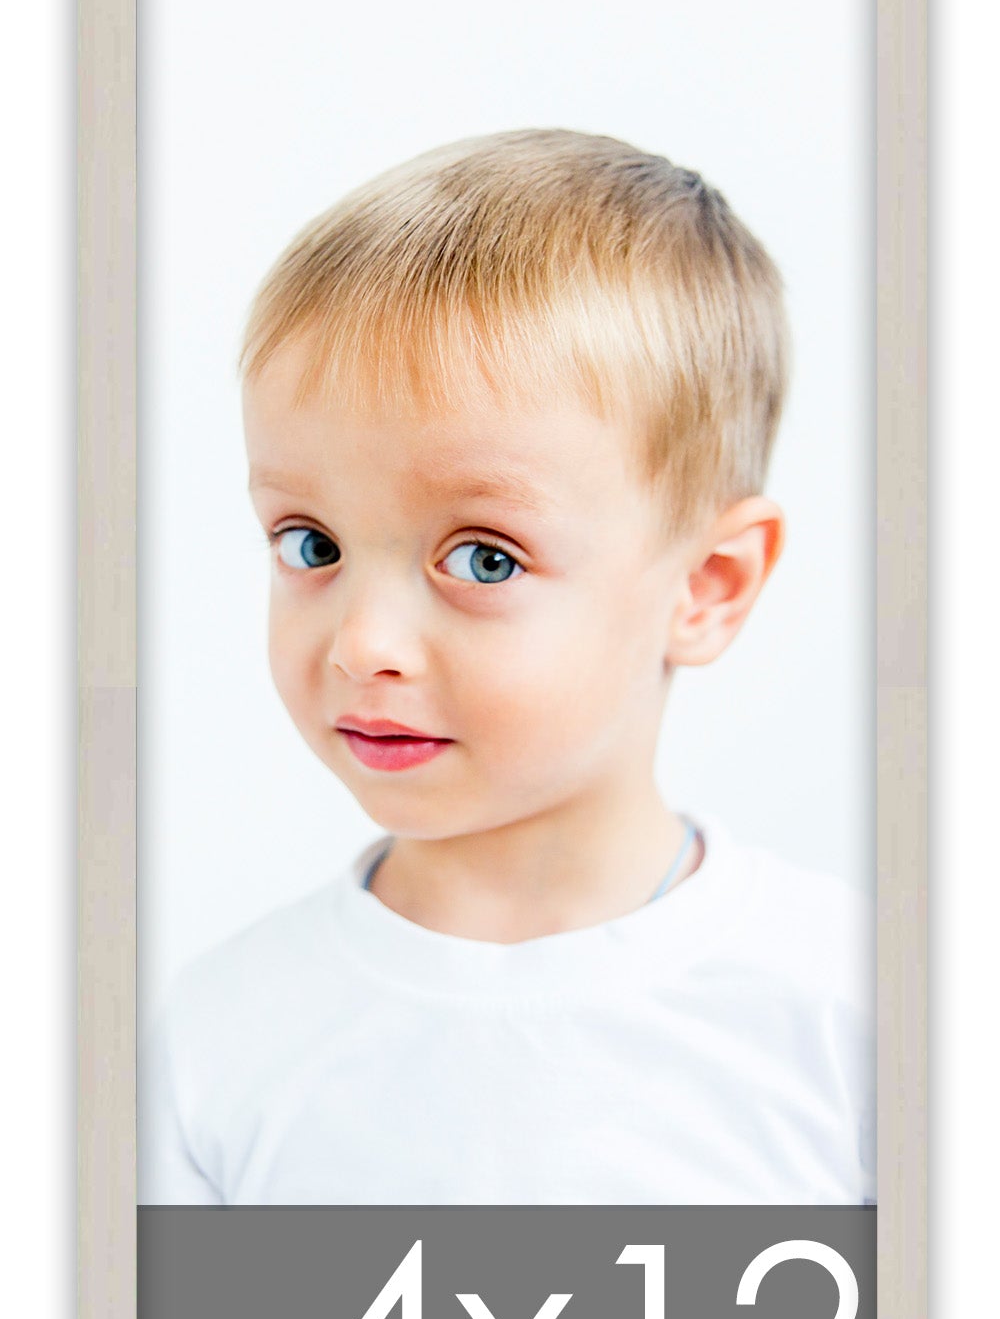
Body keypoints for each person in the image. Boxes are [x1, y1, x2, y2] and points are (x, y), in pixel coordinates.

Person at [139, 128, 874, 1206]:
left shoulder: (859, 1010)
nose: (362, 644)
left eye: (484, 557)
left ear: (706, 585)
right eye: (311, 544)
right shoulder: (215, 1046)